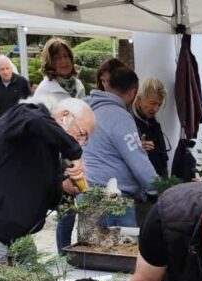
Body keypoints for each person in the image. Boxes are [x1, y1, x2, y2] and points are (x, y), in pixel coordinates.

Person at [0, 97, 92, 281]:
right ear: (65, 117)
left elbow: (45, 194)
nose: (81, 142)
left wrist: (65, 189)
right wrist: (74, 152)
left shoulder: (49, 149)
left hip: (15, 238)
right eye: (82, 134)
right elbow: (34, 120)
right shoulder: (25, 114)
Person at [78, 66, 157, 236]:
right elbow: (138, 161)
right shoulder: (119, 117)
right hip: (113, 200)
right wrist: (160, 189)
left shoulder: (86, 109)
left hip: (87, 192)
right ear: (132, 92)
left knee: (91, 254)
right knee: (120, 258)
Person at [133, 78, 170, 226]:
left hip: (156, 187)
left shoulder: (154, 123)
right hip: (139, 192)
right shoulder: (129, 121)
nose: (155, 109)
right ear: (140, 98)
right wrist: (136, 147)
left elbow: (162, 157)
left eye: (159, 105)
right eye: (152, 103)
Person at [34, 38, 85, 111]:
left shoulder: (79, 85)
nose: (64, 61)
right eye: (57, 58)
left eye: (66, 56)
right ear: (49, 63)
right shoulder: (44, 90)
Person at [0, 55, 31, 123]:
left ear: (11, 68)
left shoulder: (22, 81)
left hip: (19, 121)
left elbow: (29, 101)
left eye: (7, 68)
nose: (5, 72)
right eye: (2, 69)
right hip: (2, 122)